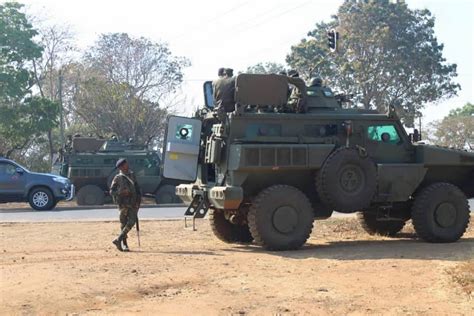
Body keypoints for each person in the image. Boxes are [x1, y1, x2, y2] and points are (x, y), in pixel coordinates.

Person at [110, 158, 141, 252]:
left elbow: (137, 188)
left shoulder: (132, 175)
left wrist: (138, 201)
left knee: (132, 221)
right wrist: (122, 192)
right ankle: (124, 244)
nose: (127, 165)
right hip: (123, 203)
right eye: (125, 164)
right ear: (121, 167)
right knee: (123, 224)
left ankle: (118, 239)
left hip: (132, 203)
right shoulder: (118, 178)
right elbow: (112, 191)